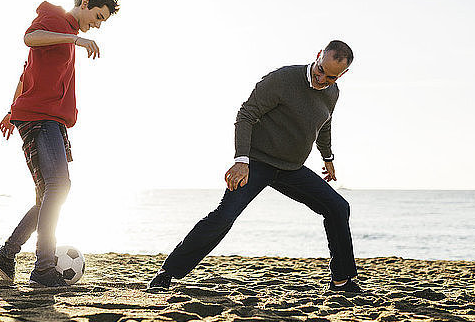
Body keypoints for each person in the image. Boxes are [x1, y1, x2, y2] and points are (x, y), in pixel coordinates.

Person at [149, 40, 362, 293]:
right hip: (257, 162)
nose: (322, 79)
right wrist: (241, 160)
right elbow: (246, 114)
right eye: (320, 71)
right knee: (224, 216)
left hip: (292, 168)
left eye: (331, 77)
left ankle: (341, 280)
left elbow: (324, 124)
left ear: (342, 74)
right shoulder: (282, 79)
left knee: (338, 207)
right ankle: (167, 273)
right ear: (317, 56)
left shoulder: (332, 92)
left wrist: (327, 157)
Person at [0, 0, 119, 287]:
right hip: (40, 119)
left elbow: (26, 73)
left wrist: (11, 110)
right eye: (98, 16)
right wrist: (75, 38)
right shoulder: (54, 18)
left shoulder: (66, 35)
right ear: (84, 3)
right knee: (59, 186)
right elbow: (29, 39)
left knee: (48, 194)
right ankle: (44, 269)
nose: (98, 24)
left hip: (47, 120)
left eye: (102, 21)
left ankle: (6, 256)